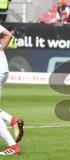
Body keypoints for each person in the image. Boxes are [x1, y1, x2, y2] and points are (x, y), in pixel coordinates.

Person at [0, 25, 24, 155]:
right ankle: (12, 120)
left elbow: (9, 35)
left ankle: (13, 146)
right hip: (3, 70)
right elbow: (8, 34)